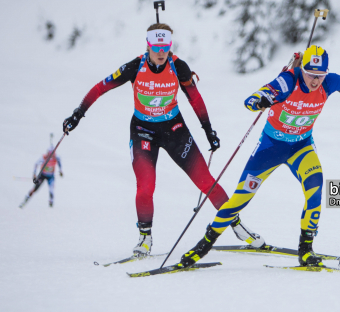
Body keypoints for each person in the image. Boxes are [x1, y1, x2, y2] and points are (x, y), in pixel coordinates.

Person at [62, 23, 265, 256]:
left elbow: (195, 99)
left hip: (174, 129)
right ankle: (145, 238)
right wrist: (78, 114)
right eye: (156, 47)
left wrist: (209, 130)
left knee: (206, 181)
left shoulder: (179, 67)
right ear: (148, 45)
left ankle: (237, 226)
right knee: (146, 186)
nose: (161, 52)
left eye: (165, 47)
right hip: (142, 130)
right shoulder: (134, 67)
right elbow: (101, 87)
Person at [177, 46, 340, 268]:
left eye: (320, 75)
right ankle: (204, 245)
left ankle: (306, 250)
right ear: (302, 68)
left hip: (301, 147)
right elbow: (253, 98)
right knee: (241, 197)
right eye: (311, 74)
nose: (315, 81)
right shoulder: (288, 81)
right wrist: (261, 101)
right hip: (270, 148)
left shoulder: (331, 82)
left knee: (315, 187)